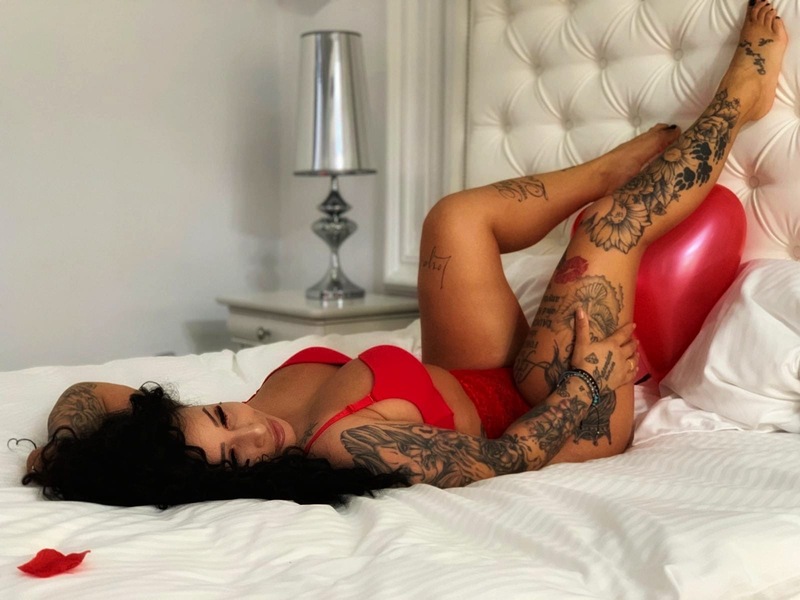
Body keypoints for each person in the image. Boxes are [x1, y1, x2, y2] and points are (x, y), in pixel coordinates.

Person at [24, 1, 787, 507]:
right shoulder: (346, 446)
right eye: (234, 458)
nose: (253, 432)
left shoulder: (221, 424)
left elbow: (86, 397)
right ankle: (739, 101)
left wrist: (69, 458)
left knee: (452, 219)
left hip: (473, 375)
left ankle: (604, 166)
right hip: (559, 412)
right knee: (608, 229)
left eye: (221, 416)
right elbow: (510, 458)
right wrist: (585, 386)